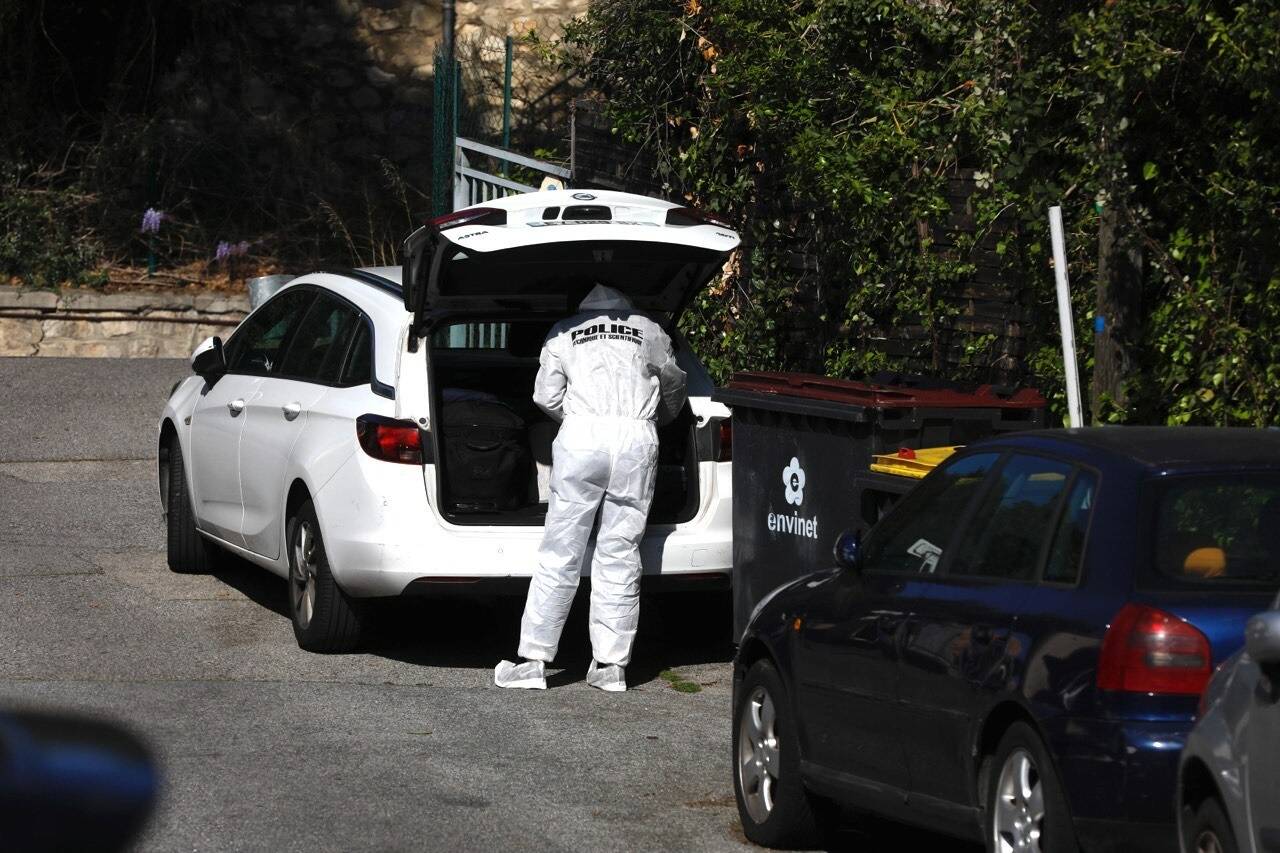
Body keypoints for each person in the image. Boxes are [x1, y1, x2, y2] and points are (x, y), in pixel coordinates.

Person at [494, 283, 687, 692]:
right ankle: (611, 667)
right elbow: (673, 387)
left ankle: (533, 661)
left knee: (561, 549)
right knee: (619, 549)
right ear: (625, 302)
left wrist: (582, 417)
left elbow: (545, 395)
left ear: (583, 305)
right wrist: (654, 420)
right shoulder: (649, 330)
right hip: (637, 438)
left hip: (582, 435)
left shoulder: (564, 331)